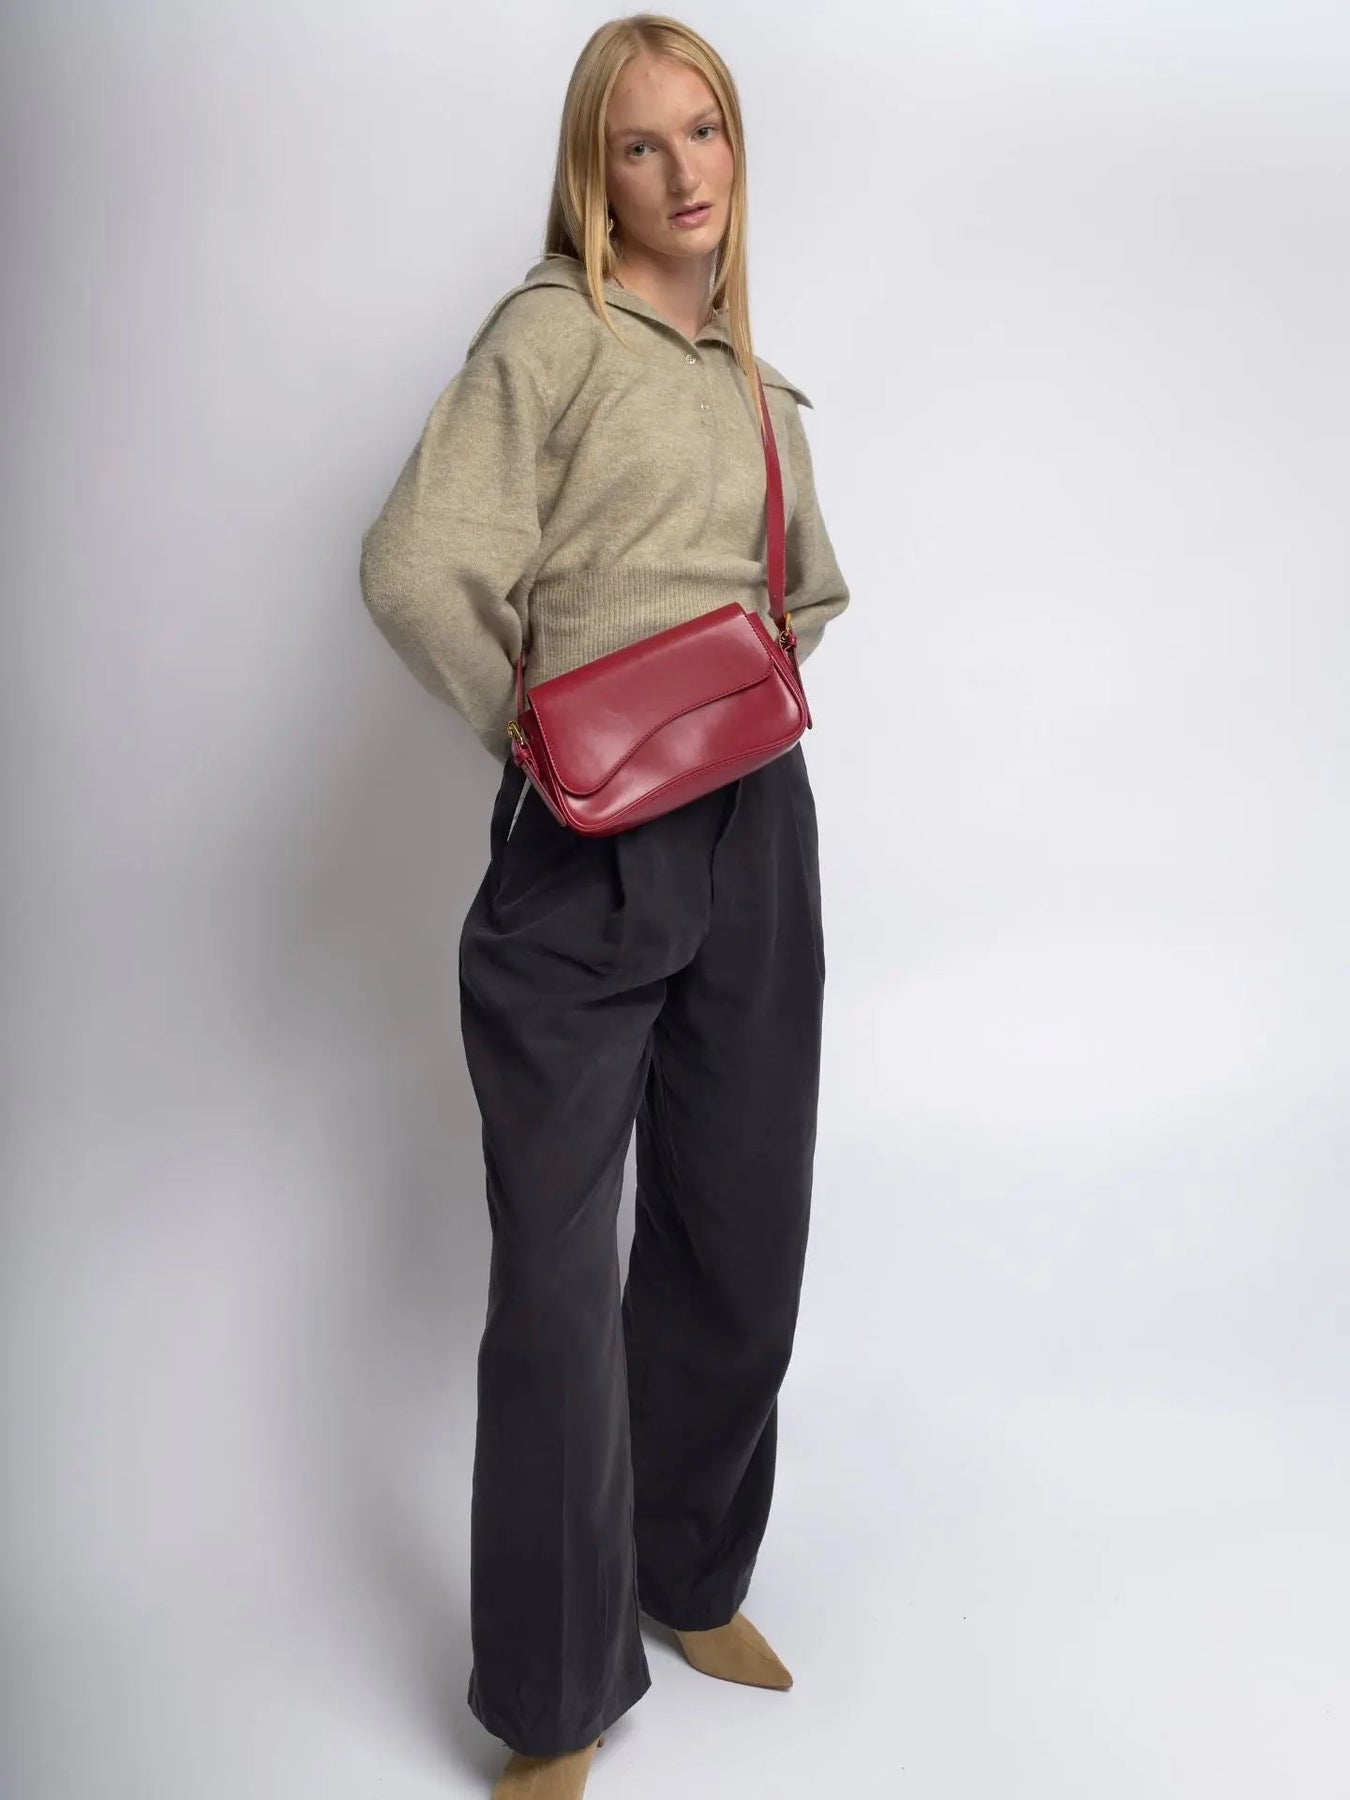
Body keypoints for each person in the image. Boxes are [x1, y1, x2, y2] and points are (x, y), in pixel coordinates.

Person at [359, 15, 851, 1798]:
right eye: (640, 144)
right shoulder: (549, 337)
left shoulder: (750, 379)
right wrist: (545, 726)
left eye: (702, 129)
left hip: (755, 835)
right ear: (594, 172)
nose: (682, 169)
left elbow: (807, 595)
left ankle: (688, 1573)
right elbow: (417, 564)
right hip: (583, 846)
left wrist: (714, 719)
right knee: (559, 1284)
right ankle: (555, 1701)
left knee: (739, 1229)